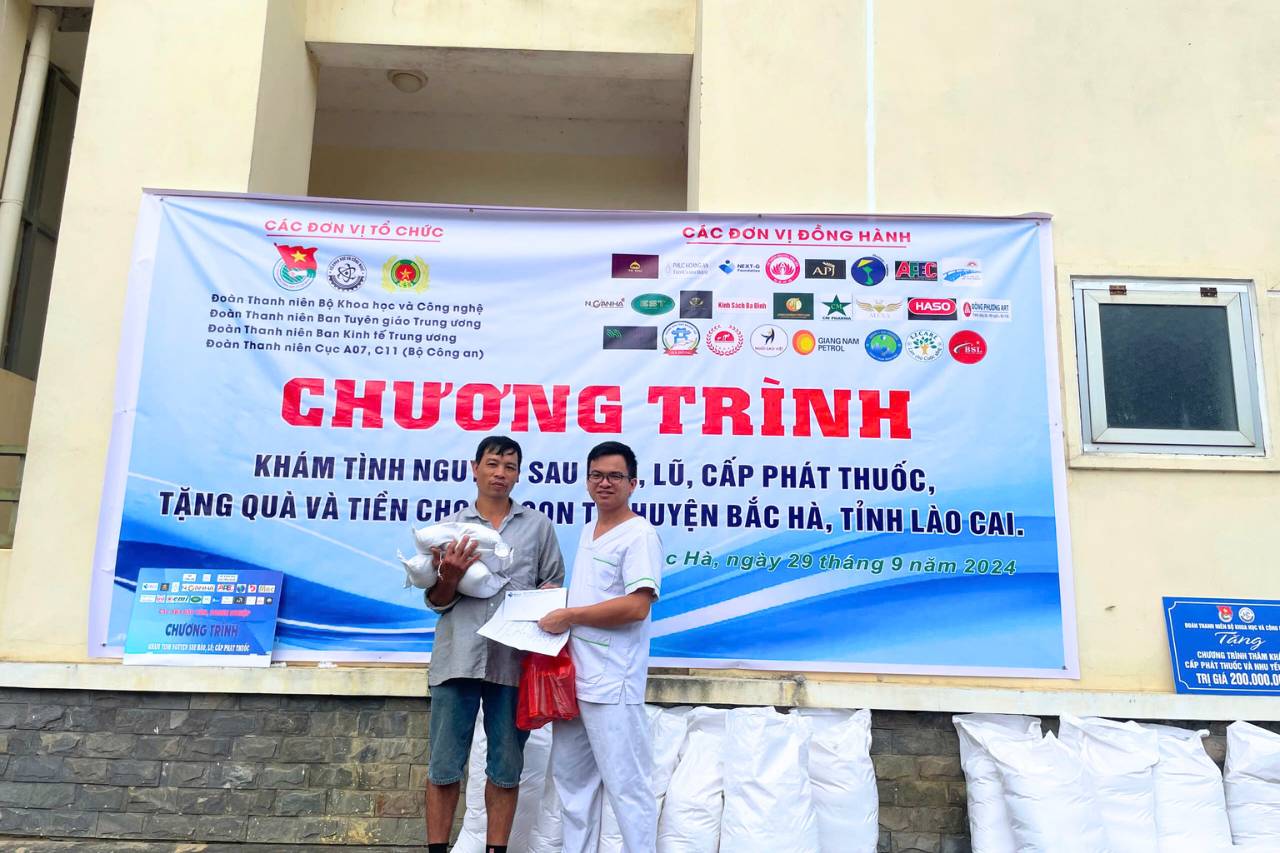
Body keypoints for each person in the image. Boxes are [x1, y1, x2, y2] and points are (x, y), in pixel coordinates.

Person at [424, 436, 565, 853]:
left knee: (506, 767)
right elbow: (436, 601)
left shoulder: (538, 527)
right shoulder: (450, 528)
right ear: (475, 469)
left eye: (509, 466)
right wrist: (450, 575)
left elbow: (552, 583)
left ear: (518, 474)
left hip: (513, 663)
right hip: (458, 658)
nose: (500, 473)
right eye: (492, 464)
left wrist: (548, 599)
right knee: (444, 766)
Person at [538, 440, 663, 853]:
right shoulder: (589, 530)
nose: (604, 483)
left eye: (614, 476)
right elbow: (595, 595)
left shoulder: (639, 535)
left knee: (627, 786)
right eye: (596, 475)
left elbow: (637, 606)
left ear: (633, 483)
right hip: (575, 678)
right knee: (573, 785)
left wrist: (571, 615)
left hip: (613, 682)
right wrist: (561, 601)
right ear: (587, 480)